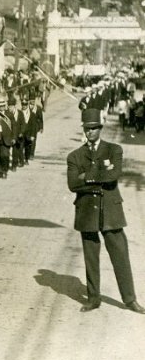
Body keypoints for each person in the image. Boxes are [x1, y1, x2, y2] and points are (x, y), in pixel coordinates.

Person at [66, 108, 145, 314]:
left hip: (111, 212)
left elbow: (114, 176)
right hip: (86, 213)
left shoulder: (114, 149)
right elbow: (72, 184)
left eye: (94, 128)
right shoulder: (74, 156)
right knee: (91, 257)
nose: (90, 132)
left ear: (100, 128)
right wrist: (100, 174)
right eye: (87, 129)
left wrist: (87, 177)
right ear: (84, 130)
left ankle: (130, 299)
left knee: (120, 256)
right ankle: (93, 298)